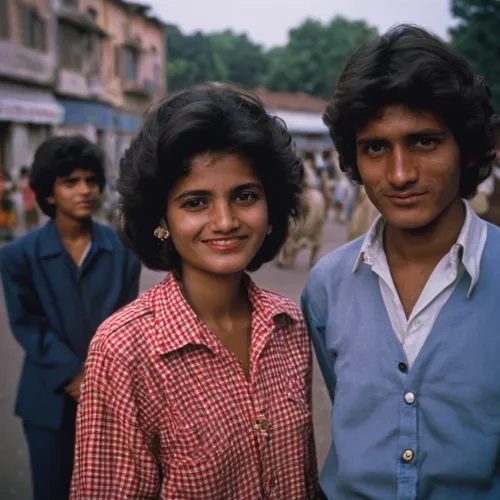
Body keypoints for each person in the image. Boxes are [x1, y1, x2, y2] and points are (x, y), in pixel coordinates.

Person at [70, 84, 319, 499]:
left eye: (244, 196)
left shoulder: (288, 326)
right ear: (161, 217)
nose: (224, 221)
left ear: (271, 208)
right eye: (195, 202)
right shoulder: (123, 350)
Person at [302, 25, 500, 499]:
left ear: (466, 149)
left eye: (424, 142)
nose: (400, 174)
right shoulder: (327, 284)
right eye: (374, 148)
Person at [0, 136, 141, 500]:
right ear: (49, 193)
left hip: (111, 399)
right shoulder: (19, 256)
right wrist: (73, 373)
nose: (85, 190)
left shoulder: (122, 252)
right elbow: (27, 323)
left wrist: (95, 377)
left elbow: (126, 323)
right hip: (48, 402)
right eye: (71, 182)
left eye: (91, 181)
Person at [18, 166, 40, 231]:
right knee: (34, 221)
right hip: (32, 202)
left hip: (27, 203)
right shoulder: (29, 181)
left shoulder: (21, 182)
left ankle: (30, 231)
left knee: (29, 222)